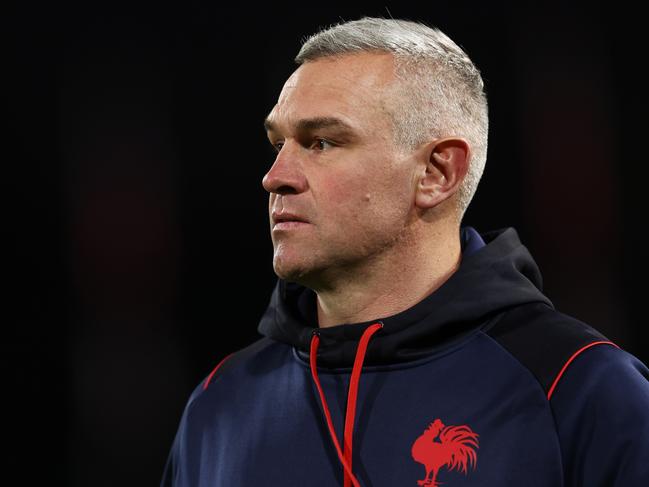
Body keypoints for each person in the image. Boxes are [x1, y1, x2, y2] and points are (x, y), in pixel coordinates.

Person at [161, 17, 649, 487]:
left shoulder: (580, 388)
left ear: (437, 173)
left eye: (322, 142)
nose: (275, 176)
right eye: (278, 143)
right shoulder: (218, 404)